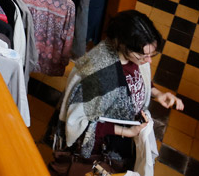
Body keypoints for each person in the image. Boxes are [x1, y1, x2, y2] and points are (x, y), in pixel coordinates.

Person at [53, 10, 184, 174]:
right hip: (99, 146)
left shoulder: (134, 56)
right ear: (123, 44)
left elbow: (137, 79)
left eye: (153, 55)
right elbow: (80, 124)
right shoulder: (99, 76)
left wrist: (158, 93)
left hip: (123, 135)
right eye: (144, 55)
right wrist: (125, 132)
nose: (149, 61)